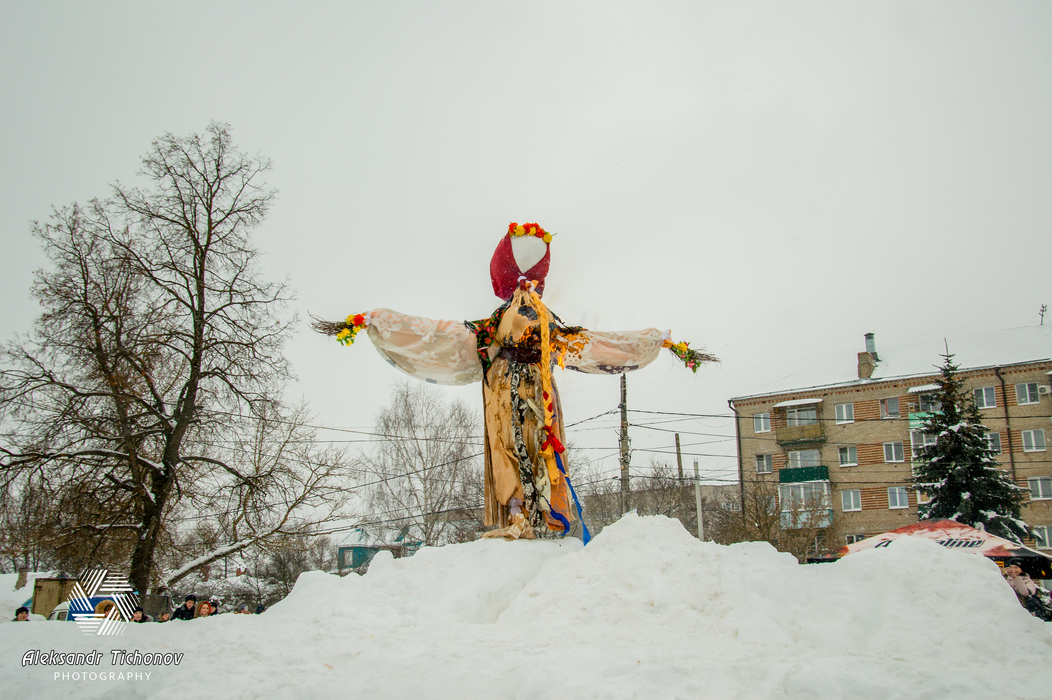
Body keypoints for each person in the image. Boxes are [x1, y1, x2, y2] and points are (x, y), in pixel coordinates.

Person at [314, 223, 712, 540]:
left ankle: (544, 515)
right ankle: (520, 514)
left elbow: (593, 343)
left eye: (530, 283)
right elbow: (441, 335)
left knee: (540, 446)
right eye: (520, 281)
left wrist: (654, 342)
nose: (526, 290)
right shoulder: (494, 328)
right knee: (510, 447)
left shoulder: (546, 325)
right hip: (505, 392)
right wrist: (380, 322)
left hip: (538, 392)